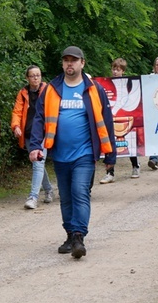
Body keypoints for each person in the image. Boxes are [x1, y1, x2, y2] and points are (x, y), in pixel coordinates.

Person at [29, 46, 116, 259]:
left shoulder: (94, 89)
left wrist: (110, 155)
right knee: (66, 198)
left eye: (74, 60)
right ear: (62, 64)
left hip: (85, 153)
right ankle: (69, 235)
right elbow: (39, 117)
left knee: (79, 191)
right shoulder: (52, 89)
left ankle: (79, 236)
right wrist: (34, 146)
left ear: (82, 63)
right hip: (59, 153)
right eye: (66, 60)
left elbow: (107, 121)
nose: (70, 64)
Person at [11, 65, 53, 210]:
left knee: (38, 163)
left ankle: (33, 197)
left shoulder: (48, 90)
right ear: (27, 78)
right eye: (32, 75)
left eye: (38, 75)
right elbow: (17, 111)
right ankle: (48, 189)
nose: (36, 78)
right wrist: (16, 126)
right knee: (38, 163)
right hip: (28, 134)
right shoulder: (23, 93)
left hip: (44, 133)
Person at [99, 57, 139, 183]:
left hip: (123, 116)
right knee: (110, 145)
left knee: (129, 143)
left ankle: (135, 166)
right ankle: (110, 172)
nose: (115, 72)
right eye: (114, 69)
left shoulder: (126, 83)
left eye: (118, 70)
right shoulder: (106, 83)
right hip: (111, 118)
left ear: (123, 71)